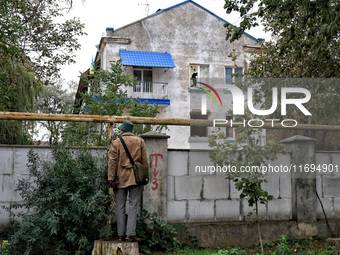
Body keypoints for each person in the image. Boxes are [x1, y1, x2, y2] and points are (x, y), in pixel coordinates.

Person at [108, 121, 149, 242]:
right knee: (133, 205)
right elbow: (144, 161)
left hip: (120, 178)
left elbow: (112, 162)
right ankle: (130, 233)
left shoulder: (116, 142)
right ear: (131, 130)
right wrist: (146, 177)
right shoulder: (140, 141)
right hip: (135, 178)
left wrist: (111, 178)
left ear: (122, 130)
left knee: (120, 206)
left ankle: (120, 234)